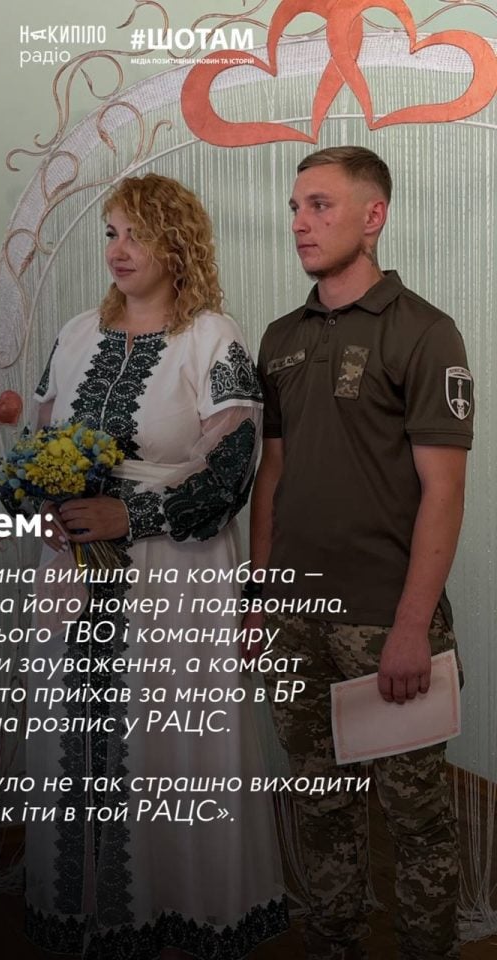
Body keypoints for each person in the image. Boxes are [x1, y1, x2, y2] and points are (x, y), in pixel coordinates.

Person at [21, 173, 287, 959]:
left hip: (174, 574)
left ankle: (181, 909)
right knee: (77, 732)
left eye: (137, 233)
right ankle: (88, 911)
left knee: (162, 742)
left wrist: (128, 515)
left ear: (178, 244)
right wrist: (44, 505)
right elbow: (38, 446)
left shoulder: (212, 339)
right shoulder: (75, 334)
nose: (120, 249)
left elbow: (232, 474)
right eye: (111, 232)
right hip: (75, 571)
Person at [246, 146, 473, 959]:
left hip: (385, 621)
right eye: (295, 207)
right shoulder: (279, 338)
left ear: (373, 216)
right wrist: (260, 599)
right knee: (319, 802)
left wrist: (412, 627)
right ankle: (333, 941)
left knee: (415, 817)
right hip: (295, 618)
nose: (299, 223)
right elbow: (272, 475)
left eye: (320, 206)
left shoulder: (425, 333)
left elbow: (444, 491)